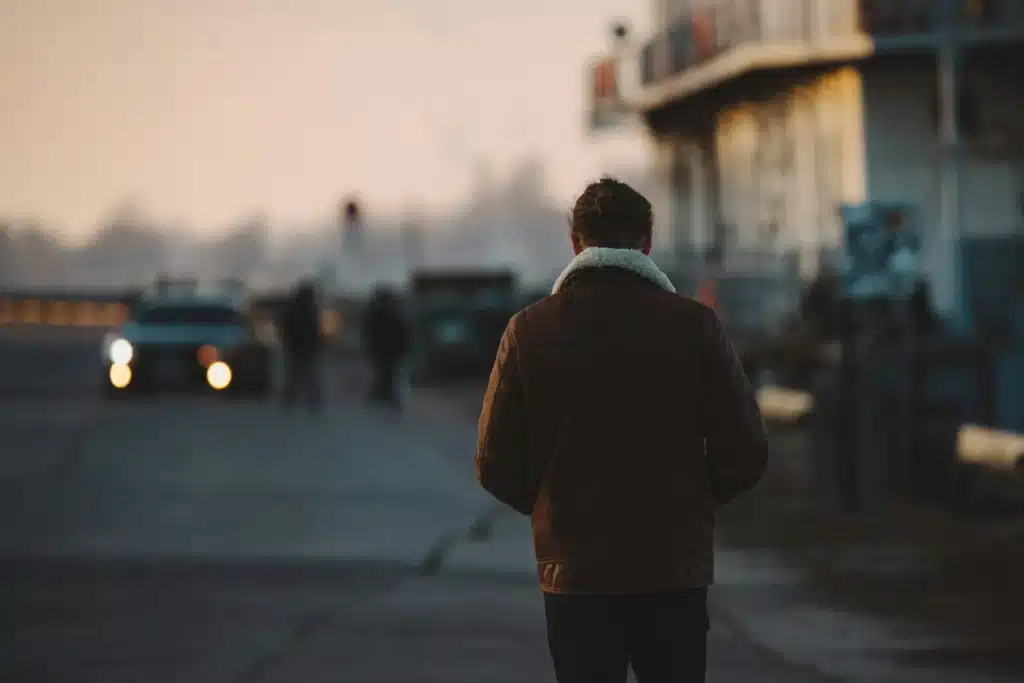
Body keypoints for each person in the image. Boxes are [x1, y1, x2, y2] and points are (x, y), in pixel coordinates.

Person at [475, 177, 769, 682]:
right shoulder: (695, 326)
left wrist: (552, 506)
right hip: (673, 571)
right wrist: (692, 502)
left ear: (576, 244)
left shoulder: (527, 330)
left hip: (575, 576)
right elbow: (746, 452)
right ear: (647, 243)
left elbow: (492, 461)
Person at [362, 285, 411, 410]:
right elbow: (401, 333)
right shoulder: (390, 315)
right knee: (388, 374)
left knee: (386, 373)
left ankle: (382, 396)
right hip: (389, 350)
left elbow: (370, 333)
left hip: (385, 350)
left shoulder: (377, 315)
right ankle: (385, 396)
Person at [279, 279, 323, 410]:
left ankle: (296, 397)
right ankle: (305, 397)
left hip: (300, 345)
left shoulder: (299, 309)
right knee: (302, 373)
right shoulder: (303, 310)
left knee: (299, 373)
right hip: (301, 345)